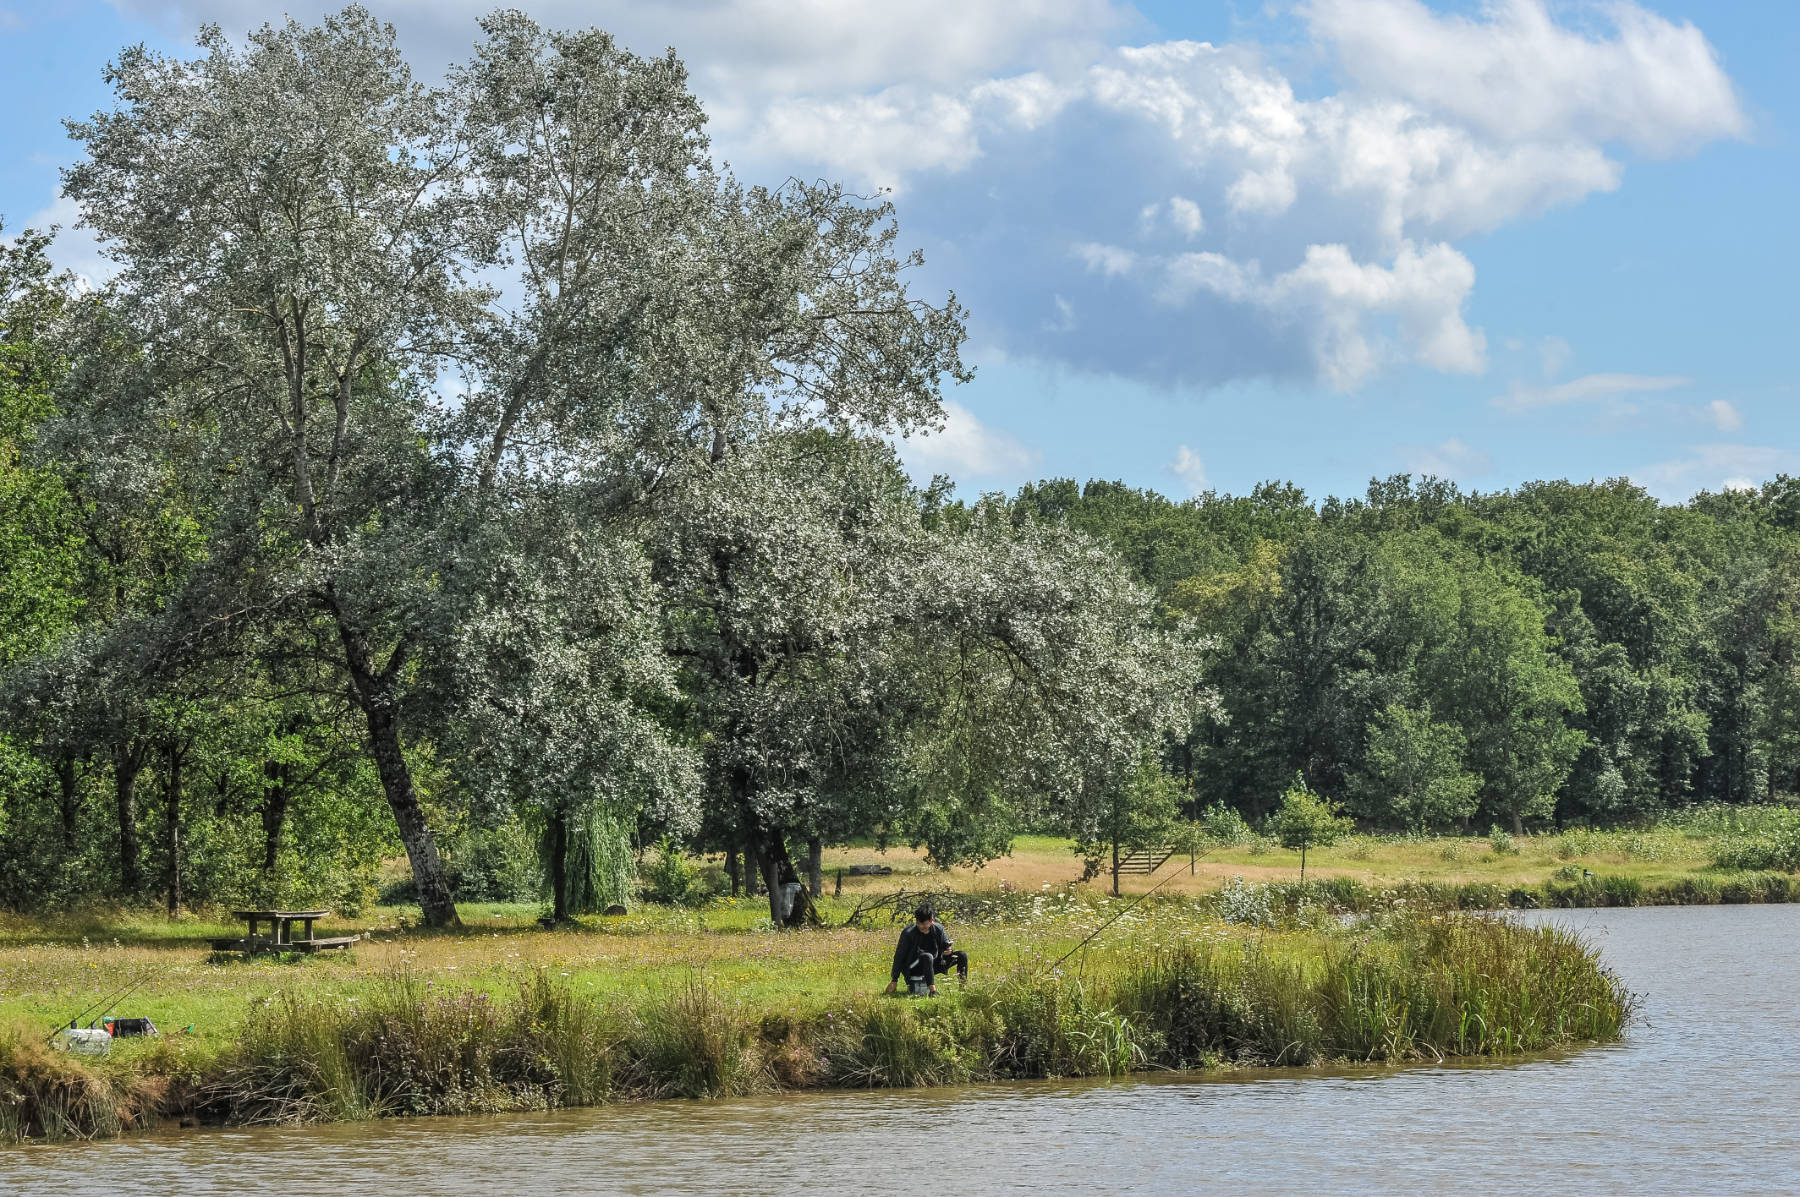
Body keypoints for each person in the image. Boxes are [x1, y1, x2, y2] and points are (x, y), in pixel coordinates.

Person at [884, 903, 968, 996]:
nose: (921, 927)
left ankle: (962, 989)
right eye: (918, 923)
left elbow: (945, 945)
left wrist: (949, 951)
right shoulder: (908, 933)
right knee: (927, 956)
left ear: (932, 920)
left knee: (962, 955)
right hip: (914, 967)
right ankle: (933, 991)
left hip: (933, 964)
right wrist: (894, 980)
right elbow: (899, 957)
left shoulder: (938, 929)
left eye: (924, 924)